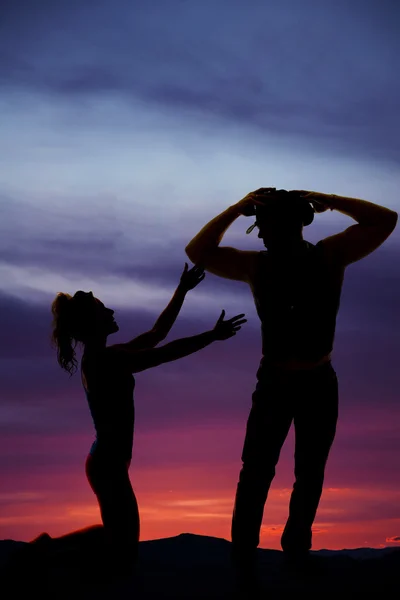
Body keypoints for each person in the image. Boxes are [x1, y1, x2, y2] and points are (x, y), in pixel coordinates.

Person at [185, 187, 397, 575]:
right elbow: (197, 252)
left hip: (317, 380)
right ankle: (244, 559)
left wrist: (324, 198)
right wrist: (236, 208)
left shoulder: (330, 255)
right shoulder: (257, 265)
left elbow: (386, 219)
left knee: (309, 471)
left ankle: (295, 554)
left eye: (264, 223)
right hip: (276, 381)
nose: (261, 233)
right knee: (256, 470)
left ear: (293, 223)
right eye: (258, 224)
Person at [50, 263, 247, 577]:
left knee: (120, 544)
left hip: (107, 463)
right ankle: (50, 557)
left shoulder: (106, 355)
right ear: (93, 322)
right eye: (103, 309)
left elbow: (157, 335)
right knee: (123, 551)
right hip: (107, 465)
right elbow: (164, 352)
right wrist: (211, 336)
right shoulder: (106, 360)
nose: (111, 310)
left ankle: (51, 553)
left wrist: (182, 290)